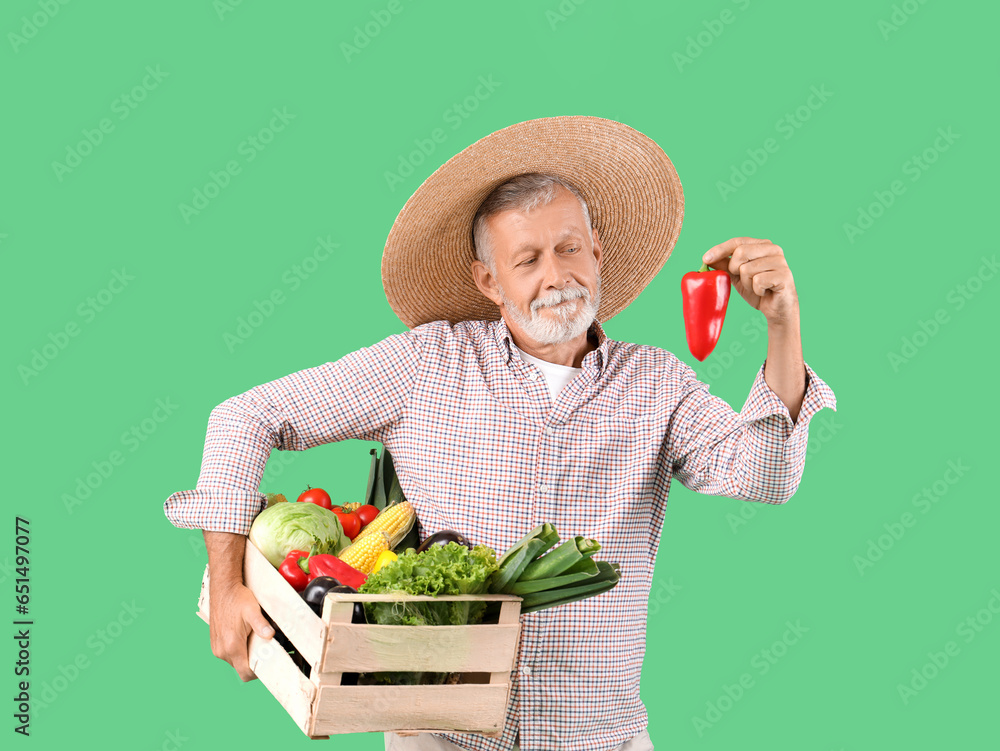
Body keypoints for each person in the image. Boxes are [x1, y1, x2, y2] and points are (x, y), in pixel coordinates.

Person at [164, 116, 837, 751]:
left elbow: (764, 477)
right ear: (488, 279)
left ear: (598, 252)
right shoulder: (424, 363)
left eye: (571, 248)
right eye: (529, 258)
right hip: (445, 738)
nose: (557, 275)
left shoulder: (657, 382)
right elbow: (243, 417)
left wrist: (783, 322)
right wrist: (227, 589)